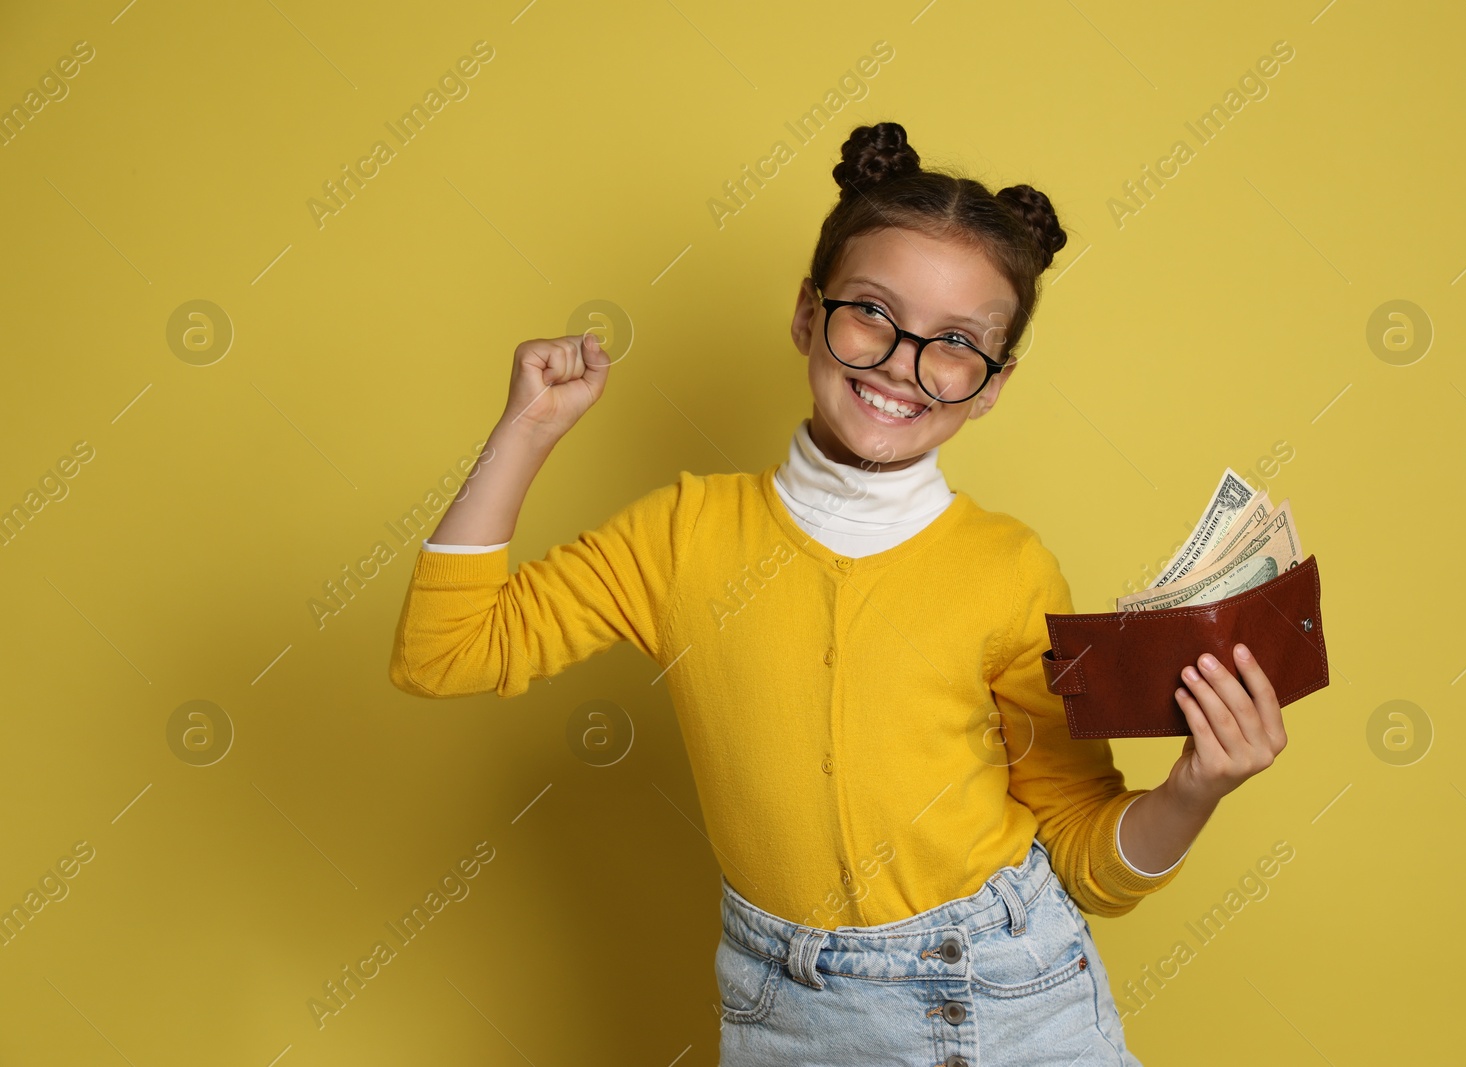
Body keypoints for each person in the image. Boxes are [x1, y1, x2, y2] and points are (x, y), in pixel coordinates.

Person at [388, 120, 1288, 1067]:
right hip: (785, 1010)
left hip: (1007, 996)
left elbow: (1088, 860)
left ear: (992, 385)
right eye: (871, 312)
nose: (904, 362)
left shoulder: (1010, 568)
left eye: (956, 344)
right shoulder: (679, 537)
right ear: (808, 313)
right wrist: (525, 431)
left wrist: (1197, 788)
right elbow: (442, 651)